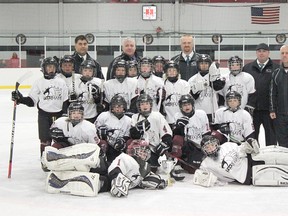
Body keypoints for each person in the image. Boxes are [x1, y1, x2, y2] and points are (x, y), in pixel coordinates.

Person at [11, 57, 69, 157]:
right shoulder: (39, 82)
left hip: (58, 115)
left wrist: (64, 114)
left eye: (53, 67)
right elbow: (31, 101)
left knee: (60, 138)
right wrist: (20, 99)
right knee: (44, 139)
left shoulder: (61, 82)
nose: (51, 69)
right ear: (44, 68)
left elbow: (65, 100)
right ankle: (44, 159)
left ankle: (60, 158)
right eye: (49, 67)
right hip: (44, 115)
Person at [243, 43, 279, 146]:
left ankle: (271, 158)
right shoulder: (248, 68)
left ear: (268, 53)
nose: (261, 53)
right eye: (259, 51)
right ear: (256, 53)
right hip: (252, 110)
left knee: (271, 137)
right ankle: (255, 160)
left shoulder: (276, 68)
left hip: (270, 110)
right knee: (252, 137)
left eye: (264, 51)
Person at [129, 93, 173, 172]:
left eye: (147, 103)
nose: (145, 106)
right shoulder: (135, 117)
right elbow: (133, 136)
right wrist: (137, 129)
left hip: (155, 150)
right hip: (140, 150)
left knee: (152, 169)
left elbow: (167, 133)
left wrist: (163, 144)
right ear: (139, 106)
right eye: (142, 104)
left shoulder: (157, 116)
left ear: (150, 105)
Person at [194, 134, 260, 186]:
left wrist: (248, 145)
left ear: (216, 143)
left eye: (212, 145)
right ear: (204, 150)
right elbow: (201, 177)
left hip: (250, 161)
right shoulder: (206, 164)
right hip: (246, 177)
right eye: (207, 147)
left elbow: (241, 150)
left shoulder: (227, 145)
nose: (211, 148)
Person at [172, 94, 210, 171]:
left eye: (189, 104)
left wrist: (205, 150)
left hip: (199, 146)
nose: (187, 107)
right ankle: (177, 162)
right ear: (180, 107)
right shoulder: (177, 116)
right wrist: (179, 127)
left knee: (193, 169)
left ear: (192, 105)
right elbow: (176, 137)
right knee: (177, 138)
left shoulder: (201, 114)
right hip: (186, 146)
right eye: (184, 105)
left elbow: (206, 133)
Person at [188, 54, 225, 123]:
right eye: (201, 63)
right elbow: (191, 98)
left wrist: (214, 78)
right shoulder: (192, 80)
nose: (204, 65)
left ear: (209, 65)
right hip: (197, 111)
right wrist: (196, 90)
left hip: (213, 111)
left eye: (206, 63)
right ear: (198, 65)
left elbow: (219, 89)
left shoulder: (214, 77)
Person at [95, 95, 132, 162]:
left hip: (119, 147)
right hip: (105, 145)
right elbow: (94, 130)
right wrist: (100, 134)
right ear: (112, 107)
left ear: (124, 107)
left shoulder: (128, 120)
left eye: (120, 106)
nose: (118, 108)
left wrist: (122, 141)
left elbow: (128, 136)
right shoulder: (104, 116)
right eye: (116, 106)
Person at [270, 44, 288, 147]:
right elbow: (272, 93)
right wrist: (272, 110)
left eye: (287, 53)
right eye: (282, 53)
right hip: (280, 115)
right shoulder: (276, 73)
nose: (285, 55)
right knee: (282, 142)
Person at [162, 60, 190, 126]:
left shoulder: (185, 84)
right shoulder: (162, 84)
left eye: (174, 70)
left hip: (182, 119)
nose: (172, 73)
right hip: (167, 120)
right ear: (166, 72)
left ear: (177, 72)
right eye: (169, 70)